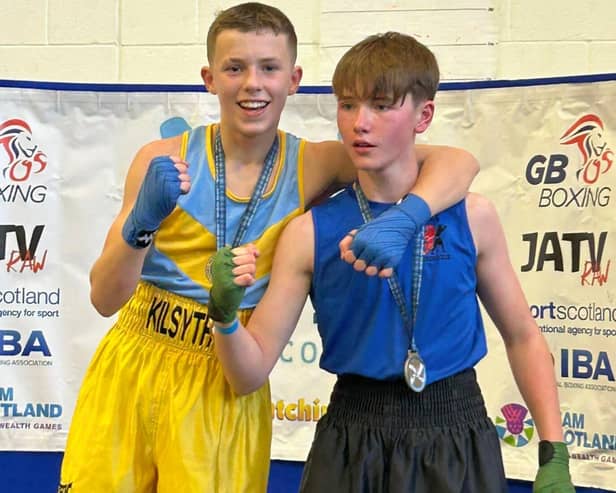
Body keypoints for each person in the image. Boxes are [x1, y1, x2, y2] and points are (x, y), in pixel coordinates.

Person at [57, 3, 480, 493]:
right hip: (134, 362)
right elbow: (103, 299)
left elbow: (458, 161)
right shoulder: (164, 158)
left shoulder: (314, 164)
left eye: (269, 68)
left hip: (223, 374)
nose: (252, 83)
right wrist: (140, 225)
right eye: (234, 68)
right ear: (209, 78)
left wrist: (411, 214)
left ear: (294, 79)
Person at [208, 32, 576, 493]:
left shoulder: (472, 215)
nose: (361, 123)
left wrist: (553, 451)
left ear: (424, 116)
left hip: (457, 430)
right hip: (352, 437)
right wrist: (223, 317)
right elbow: (248, 373)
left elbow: (522, 335)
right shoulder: (310, 231)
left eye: (382, 106)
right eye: (348, 105)